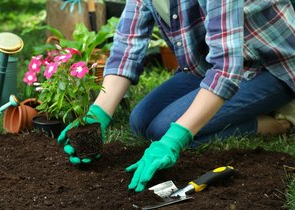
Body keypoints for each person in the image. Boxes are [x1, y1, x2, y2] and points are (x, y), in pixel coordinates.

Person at [58, 0, 295, 192]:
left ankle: (271, 122)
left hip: (273, 66)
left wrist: (174, 139)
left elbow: (226, 69)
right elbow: (126, 50)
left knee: (164, 129)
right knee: (140, 122)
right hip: (206, 67)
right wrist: (98, 113)